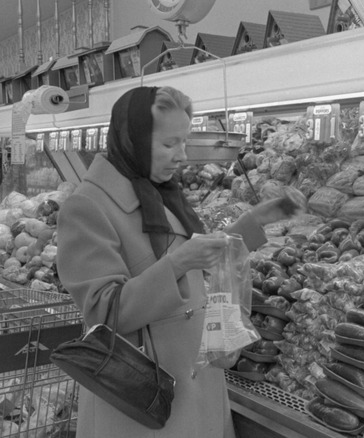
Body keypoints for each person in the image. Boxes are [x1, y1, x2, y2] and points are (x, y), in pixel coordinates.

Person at [56, 86, 297, 438]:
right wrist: (177, 264)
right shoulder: (87, 206)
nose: (181, 155)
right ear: (133, 139)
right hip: (144, 401)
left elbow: (194, 258)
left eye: (184, 142)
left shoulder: (161, 194)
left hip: (197, 384)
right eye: (169, 144)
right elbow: (103, 312)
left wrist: (255, 222)